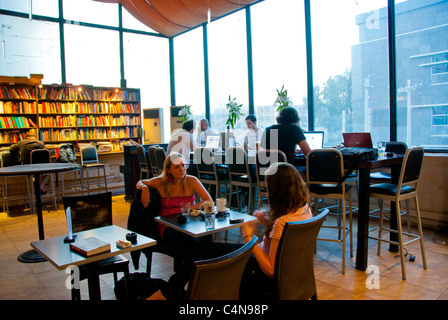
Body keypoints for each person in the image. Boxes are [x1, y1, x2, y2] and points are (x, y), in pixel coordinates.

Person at [136, 152, 213, 300]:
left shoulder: (192, 180)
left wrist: (191, 208)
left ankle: (169, 291)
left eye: (183, 165)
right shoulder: (160, 182)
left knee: (198, 247)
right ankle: (180, 290)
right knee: (198, 248)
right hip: (168, 227)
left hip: (190, 225)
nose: (182, 169)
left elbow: (209, 201)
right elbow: (140, 181)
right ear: (169, 169)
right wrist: (144, 188)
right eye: (177, 167)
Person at [239, 162, 313, 296]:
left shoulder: (282, 222)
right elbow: (288, 234)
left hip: (268, 279)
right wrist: (268, 221)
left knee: (224, 261)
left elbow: (271, 270)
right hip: (295, 272)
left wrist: (248, 238)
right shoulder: (304, 207)